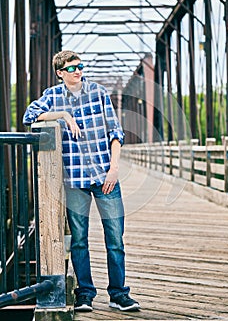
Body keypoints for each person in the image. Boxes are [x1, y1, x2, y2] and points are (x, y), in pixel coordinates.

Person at [23, 50, 140, 312]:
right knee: (78, 240)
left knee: (115, 239)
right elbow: (28, 116)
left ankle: (119, 294)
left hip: (104, 176)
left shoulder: (97, 92)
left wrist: (114, 168)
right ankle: (85, 293)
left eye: (80, 66)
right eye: (72, 68)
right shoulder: (53, 96)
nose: (78, 71)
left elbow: (115, 131)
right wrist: (64, 116)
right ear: (60, 73)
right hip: (74, 179)